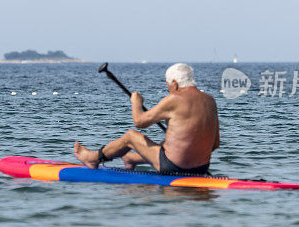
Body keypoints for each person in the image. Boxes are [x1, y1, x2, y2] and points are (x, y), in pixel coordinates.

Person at [74, 63, 220, 175]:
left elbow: (140, 122)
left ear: (174, 83)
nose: (169, 89)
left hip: (174, 167)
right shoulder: (210, 100)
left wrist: (136, 102)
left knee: (131, 136)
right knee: (169, 142)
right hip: (201, 168)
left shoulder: (174, 99)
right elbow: (215, 144)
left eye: (168, 85)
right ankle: (131, 159)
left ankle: (92, 158)